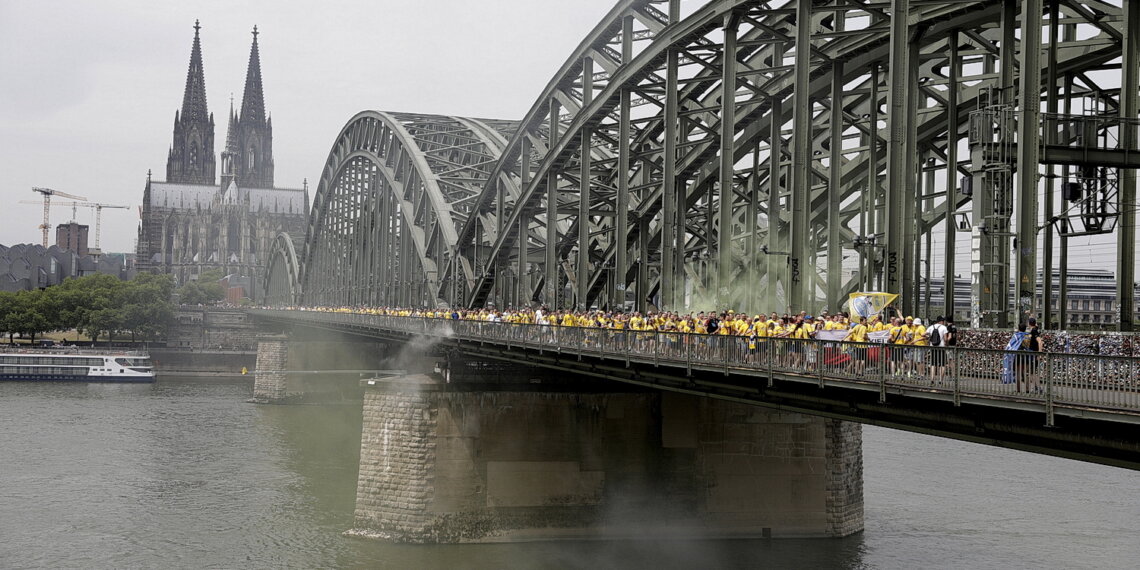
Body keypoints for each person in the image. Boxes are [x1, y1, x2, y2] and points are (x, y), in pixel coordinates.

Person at [926, 316, 949, 385]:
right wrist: (946, 344)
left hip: (933, 347)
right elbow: (945, 339)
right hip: (941, 348)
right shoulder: (944, 327)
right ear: (941, 321)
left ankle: (932, 379)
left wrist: (929, 338)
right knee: (942, 364)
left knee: (933, 364)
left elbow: (924, 334)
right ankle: (940, 380)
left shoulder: (931, 327)